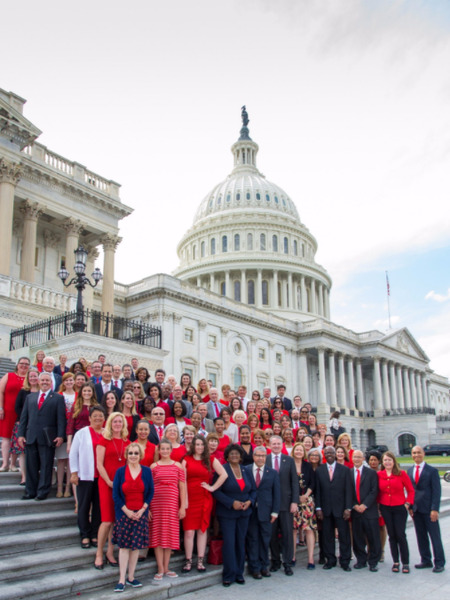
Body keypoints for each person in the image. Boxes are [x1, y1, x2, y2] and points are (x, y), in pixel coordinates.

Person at [112, 442, 154, 592]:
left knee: (135, 547)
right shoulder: (120, 472)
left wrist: (143, 510)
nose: (133, 456)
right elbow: (116, 494)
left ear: (140, 455)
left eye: (136, 453)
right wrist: (127, 511)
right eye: (130, 453)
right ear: (126, 455)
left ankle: (131, 577)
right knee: (124, 547)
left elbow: (150, 493)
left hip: (140, 514)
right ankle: (122, 579)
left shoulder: (147, 471)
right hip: (124, 514)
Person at [182, 435, 227, 573]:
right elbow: (182, 482)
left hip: (204, 498)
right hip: (189, 498)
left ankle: (200, 560)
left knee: (202, 530)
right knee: (189, 532)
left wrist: (212, 488)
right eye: (197, 444)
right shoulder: (186, 460)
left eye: (202, 444)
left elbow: (224, 474)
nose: (200, 447)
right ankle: (188, 560)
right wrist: (184, 501)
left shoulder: (210, 459)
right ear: (193, 446)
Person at [17, 372, 66, 500]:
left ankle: (42, 492)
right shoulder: (30, 398)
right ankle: (30, 491)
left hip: (47, 437)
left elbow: (61, 419)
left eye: (47, 380)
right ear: (38, 382)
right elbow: (24, 418)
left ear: (51, 383)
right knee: (31, 466)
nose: (44, 382)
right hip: (31, 436)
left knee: (46, 466)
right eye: (42, 380)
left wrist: (61, 435)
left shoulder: (57, 398)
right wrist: (20, 435)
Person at [213, 444, 255, 587]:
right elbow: (216, 491)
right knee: (230, 543)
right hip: (228, 513)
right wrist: (231, 503)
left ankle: (239, 573)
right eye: (232, 454)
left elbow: (254, 490)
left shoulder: (246, 470)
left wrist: (250, 501)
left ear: (241, 456)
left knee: (240, 542)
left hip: (244, 512)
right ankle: (229, 574)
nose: (234, 456)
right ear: (227, 456)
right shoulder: (222, 470)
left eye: (237, 454)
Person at [95, 412, 130, 569]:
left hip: (121, 486)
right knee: (107, 520)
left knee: (116, 521)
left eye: (120, 422)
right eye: (115, 421)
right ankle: (99, 554)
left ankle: (110, 551)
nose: (117, 424)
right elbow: (99, 464)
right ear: (110, 423)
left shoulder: (126, 442)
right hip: (106, 483)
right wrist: (109, 481)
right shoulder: (104, 440)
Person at [149, 438, 186, 580]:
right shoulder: (153, 466)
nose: (164, 451)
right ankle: (160, 568)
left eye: (167, 449)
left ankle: (167, 567)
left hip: (172, 504)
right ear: (159, 450)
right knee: (158, 535)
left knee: (170, 534)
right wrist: (149, 509)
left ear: (171, 450)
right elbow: (149, 488)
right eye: (162, 449)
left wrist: (182, 506)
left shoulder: (178, 466)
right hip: (156, 504)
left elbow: (182, 487)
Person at [69, 405, 105, 548]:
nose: (98, 418)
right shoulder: (82, 433)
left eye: (100, 416)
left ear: (104, 418)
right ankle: (84, 534)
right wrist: (74, 472)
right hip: (85, 475)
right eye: (95, 416)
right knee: (84, 506)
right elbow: (73, 453)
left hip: (101, 477)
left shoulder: (106, 433)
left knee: (98, 507)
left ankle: (95, 533)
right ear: (89, 418)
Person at [408, 445, 445, 573]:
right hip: (417, 510)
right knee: (421, 536)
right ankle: (426, 560)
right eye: (413, 453)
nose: (416, 455)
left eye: (418, 452)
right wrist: (411, 506)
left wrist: (435, 509)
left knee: (435, 537)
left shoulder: (432, 471)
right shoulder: (410, 470)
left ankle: (439, 562)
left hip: (429, 510)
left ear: (423, 454)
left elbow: (436, 492)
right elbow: (411, 491)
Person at [245, 445, 280, 579]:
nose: (260, 458)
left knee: (265, 539)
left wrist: (275, 512)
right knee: (253, 539)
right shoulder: (246, 470)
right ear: (253, 456)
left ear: (266, 457)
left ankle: (264, 565)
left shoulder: (272, 473)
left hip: (266, 511)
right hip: (251, 511)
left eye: (263, 456)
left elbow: (276, 494)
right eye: (258, 455)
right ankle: (255, 568)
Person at [315, 446, 352, 571]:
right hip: (325, 509)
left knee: (344, 535)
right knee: (327, 536)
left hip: (341, 509)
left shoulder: (345, 470)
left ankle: (345, 561)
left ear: (335, 454)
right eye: (327, 453)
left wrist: (348, 508)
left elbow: (348, 490)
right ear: (324, 455)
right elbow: (318, 491)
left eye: (331, 452)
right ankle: (330, 560)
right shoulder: (319, 470)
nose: (329, 454)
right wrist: (318, 508)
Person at [266, 435, 299, 576]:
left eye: (278, 444)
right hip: (270, 504)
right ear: (270, 444)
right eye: (273, 444)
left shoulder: (289, 460)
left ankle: (287, 562)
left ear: (282, 445)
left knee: (287, 534)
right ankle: (275, 561)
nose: (276, 446)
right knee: (272, 534)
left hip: (286, 503)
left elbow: (294, 483)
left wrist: (295, 502)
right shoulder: (265, 459)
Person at [377, 451, 414, 574]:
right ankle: (396, 561)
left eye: (389, 460)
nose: (387, 462)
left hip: (399, 508)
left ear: (394, 461)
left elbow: (411, 490)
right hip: (386, 508)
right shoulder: (379, 474)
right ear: (382, 462)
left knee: (400, 535)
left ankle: (406, 562)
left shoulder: (401, 474)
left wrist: (408, 503)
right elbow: (378, 492)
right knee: (392, 536)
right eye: (385, 460)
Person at [351, 449, 381, 572]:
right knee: (358, 537)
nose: (356, 459)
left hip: (369, 510)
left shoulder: (371, 473)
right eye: (354, 457)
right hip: (355, 511)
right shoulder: (348, 473)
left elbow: (374, 491)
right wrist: (354, 505)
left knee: (373, 537)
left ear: (363, 459)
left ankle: (373, 561)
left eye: (359, 457)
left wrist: (364, 505)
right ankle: (361, 560)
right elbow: (347, 491)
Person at [0, 356, 30, 471]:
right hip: (8, 411)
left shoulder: (29, 378)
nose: (24, 366)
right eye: (22, 363)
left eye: (26, 364)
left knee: (17, 438)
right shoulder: (9, 376)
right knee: (7, 438)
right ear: (17, 365)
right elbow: (1, 392)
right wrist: (1, 407)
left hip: (21, 413)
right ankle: (5, 464)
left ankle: (13, 464)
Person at [292, 442, 316, 569]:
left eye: (301, 450)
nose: (299, 452)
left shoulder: (308, 466)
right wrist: (296, 497)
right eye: (297, 450)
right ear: (293, 451)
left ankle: (311, 559)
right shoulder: (289, 465)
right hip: (294, 501)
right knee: (293, 529)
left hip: (306, 501)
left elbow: (313, 483)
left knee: (308, 529)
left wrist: (306, 495)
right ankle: (292, 556)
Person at [13, 367, 40, 483]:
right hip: (24, 424)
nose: (33, 378)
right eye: (31, 376)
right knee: (23, 452)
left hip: (38, 426)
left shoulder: (42, 391)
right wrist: (27, 419)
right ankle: (24, 476)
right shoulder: (23, 391)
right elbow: (17, 407)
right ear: (28, 379)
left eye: (35, 376)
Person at [55, 373, 77, 498]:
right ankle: (59, 487)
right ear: (63, 382)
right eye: (66, 380)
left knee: (71, 461)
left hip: (74, 432)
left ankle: (68, 487)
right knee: (61, 460)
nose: (69, 382)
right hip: (61, 431)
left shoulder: (78, 396)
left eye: (71, 380)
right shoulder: (58, 396)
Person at [66, 383, 99, 454]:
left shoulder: (96, 407)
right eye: (84, 391)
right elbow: (70, 425)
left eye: (89, 391)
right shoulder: (76, 406)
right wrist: (69, 443)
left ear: (93, 393)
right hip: (79, 435)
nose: (87, 393)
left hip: (93, 436)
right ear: (81, 392)